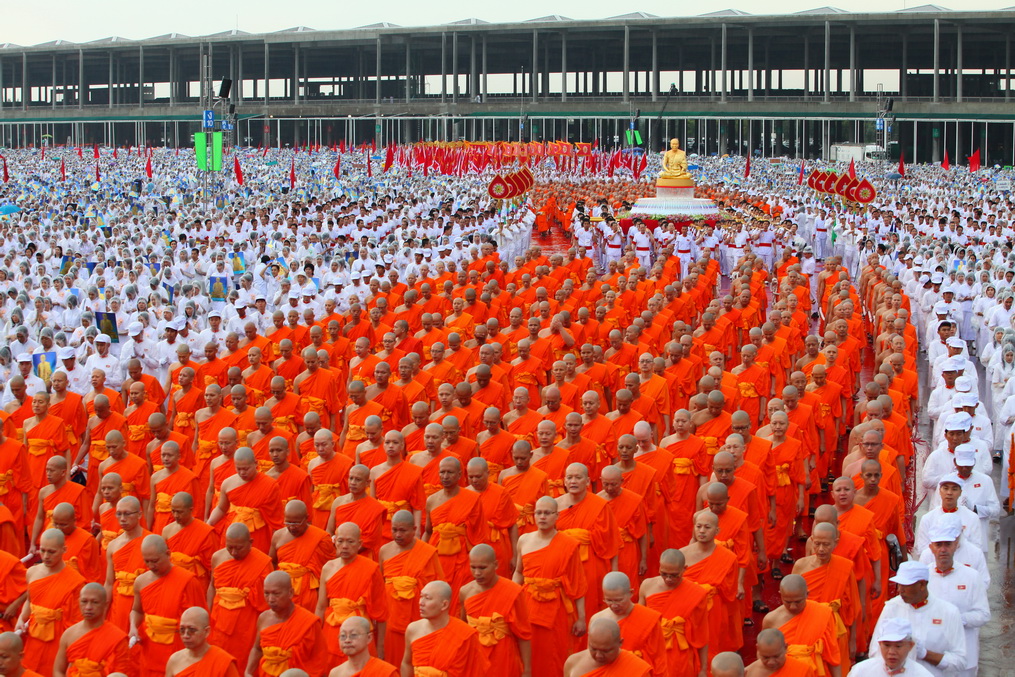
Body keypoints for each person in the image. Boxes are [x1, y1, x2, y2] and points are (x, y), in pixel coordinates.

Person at [513, 496, 587, 677]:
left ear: (557, 516)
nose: (542, 517)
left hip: (557, 609)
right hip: (528, 605)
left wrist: (581, 618)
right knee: (528, 652)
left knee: (554, 655)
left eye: (547, 513)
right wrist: (512, 600)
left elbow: (577, 583)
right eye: (538, 513)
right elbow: (519, 572)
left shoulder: (568, 544)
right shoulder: (524, 540)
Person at [128, 534, 207, 677]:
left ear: (168, 554)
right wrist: (133, 627)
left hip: (178, 648)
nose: (151, 566)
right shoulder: (141, 581)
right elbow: (137, 611)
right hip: (150, 649)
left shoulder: (188, 581)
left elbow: (201, 622)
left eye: (155, 561)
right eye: (147, 561)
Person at [871, 561, 966, 677]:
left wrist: (926, 654)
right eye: (899, 585)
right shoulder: (892, 607)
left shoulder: (949, 612)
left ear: (922, 585)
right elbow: (875, 651)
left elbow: (960, 662)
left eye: (905, 585)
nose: (900, 590)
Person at [377, 510, 443, 667]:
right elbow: (379, 586)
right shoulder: (384, 551)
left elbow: (438, 588)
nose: (398, 535)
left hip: (419, 616)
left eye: (403, 530)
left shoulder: (426, 553)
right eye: (394, 530)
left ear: (414, 529)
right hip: (391, 616)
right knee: (393, 660)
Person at [316, 522, 388, 665]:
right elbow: (321, 606)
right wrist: (316, 637)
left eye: (350, 542)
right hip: (332, 630)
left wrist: (380, 646)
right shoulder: (328, 568)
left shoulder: (371, 569)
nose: (344, 546)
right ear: (334, 541)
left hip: (359, 631)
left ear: (359, 544)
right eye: (340, 541)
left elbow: (381, 613)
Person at [17, 529, 85, 674]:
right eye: (42, 550)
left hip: (57, 641)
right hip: (33, 639)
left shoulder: (75, 582)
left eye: (51, 552)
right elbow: (30, 600)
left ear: (64, 550)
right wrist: (21, 619)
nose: (46, 556)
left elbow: (76, 622)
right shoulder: (32, 572)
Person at [459, 544, 532, 677]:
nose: (477, 573)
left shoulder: (513, 591)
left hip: (503, 657)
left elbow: (524, 635)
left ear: (496, 565)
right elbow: (463, 627)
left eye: (482, 568)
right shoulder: (465, 591)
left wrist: (527, 670)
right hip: (475, 657)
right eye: (473, 567)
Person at [423, 456, 485, 609]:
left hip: (461, 559)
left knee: (458, 602)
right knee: (436, 601)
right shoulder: (432, 500)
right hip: (437, 558)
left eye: (450, 472)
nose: (445, 476)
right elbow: (428, 531)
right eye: (442, 472)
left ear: (459, 475)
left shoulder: (472, 499)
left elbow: (479, 534)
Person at [208, 523, 273, 664]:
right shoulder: (217, 557)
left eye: (238, 548)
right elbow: (212, 586)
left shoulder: (262, 563)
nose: (234, 552)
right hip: (220, 620)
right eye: (229, 547)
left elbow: (267, 600)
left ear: (250, 542)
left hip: (247, 624)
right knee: (219, 661)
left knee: (243, 660)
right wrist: (208, 612)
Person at [638, 549, 709, 677]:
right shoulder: (647, 585)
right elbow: (638, 621)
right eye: (664, 574)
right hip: (652, 651)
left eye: (674, 575)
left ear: (684, 569)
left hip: (681, 654)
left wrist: (703, 669)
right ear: (659, 567)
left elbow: (702, 633)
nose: (668, 579)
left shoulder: (696, 593)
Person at [246, 571, 328, 677]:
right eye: (266, 593)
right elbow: (257, 649)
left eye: (276, 594)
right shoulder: (263, 618)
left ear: (290, 593)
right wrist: (248, 671)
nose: (270, 599)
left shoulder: (309, 622)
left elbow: (320, 660)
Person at [401, 580, 488, 676]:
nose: (421, 602)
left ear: (444, 605)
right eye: (421, 596)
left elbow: (476, 671)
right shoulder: (413, 629)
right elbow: (407, 663)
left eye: (427, 598)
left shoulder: (465, 635)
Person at [761, 575, 841, 677]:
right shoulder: (771, 620)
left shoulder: (822, 613)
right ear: (780, 595)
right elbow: (764, 655)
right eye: (788, 602)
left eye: (798, 601)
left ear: (807, 594)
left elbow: (832, 654)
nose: (793, 607)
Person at [589, 571, 667, 676]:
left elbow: (659, 658)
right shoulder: (597, 620)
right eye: (609, 600)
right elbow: (592, 657)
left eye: (618, 600)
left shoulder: (648, 618)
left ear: (631, 593)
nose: (614, 605)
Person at [269, 500, 336, 612]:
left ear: (306, 518)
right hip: (283, 590)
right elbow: (272, 562)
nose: (292, 527)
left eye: (296, 523)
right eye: (288, 523)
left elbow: (330, 569)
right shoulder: (278, 536)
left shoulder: (321, 538)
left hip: (309, 593)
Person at [53, 587, 130, 675]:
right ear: (79, 602)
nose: (88, 607)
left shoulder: (118, 639)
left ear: (105, 605)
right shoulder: (69, 634)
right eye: (84, 601)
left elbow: (120, 674)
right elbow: (58, 670)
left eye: (95, 602)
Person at [561, 617, 652, 677]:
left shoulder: (637, 669)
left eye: (605, 651)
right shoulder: (573, 662)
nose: (598, 655)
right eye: (593, 649)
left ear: (620, 643)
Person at [165, 606, 240, 677]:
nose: (185, 635)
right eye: (182, 630)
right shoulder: (174, 660)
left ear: (206, 631)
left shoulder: (223, 662)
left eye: (192, 630)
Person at [848, 618, 934, 677]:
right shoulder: (861, 671)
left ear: (910, 646)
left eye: (898, 646)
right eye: (887, 645)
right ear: (880, 644)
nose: (891, 652)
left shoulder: (921, 674)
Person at [327, 616, 398, 677]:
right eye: (343, 636)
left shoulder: (386, 672)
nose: (347, 640)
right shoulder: (335, 673)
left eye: (353, 635)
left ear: (369, 638)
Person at [744, 628, 815, 677]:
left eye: (776, 656)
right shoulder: (748, 672)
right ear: (758, 649)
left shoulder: (803, 670)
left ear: (785, 647)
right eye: (766, 657)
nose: (771, 662)